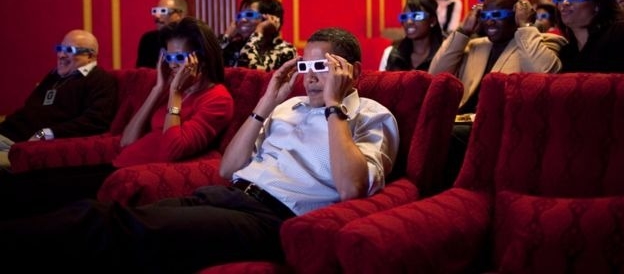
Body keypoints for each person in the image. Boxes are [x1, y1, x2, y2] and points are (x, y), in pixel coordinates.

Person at [0, 27, 400, 273]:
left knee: (116, 229)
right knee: (104, 215)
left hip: (272, 217)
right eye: (306, 68)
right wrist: (267, 100)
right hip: (227, 195)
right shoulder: (285, 106)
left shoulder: (371, 115)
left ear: (353, 72)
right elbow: (229, 167)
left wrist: (333, 104)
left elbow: (350, 188)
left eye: (324, 68)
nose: (313, 79)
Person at [0, 17, 234, 218]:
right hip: (117, 163)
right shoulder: (174, 89)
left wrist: (175, 94)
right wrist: (158, 89)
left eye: (179, 58)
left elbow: (172, 149)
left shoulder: (217, 99)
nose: (173, 66)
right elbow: (127, 140)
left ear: (201, 58)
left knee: (34, 200)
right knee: (21, 186)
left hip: (129, 176)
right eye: (168, 58)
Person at [429, 0, 567, 188]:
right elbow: (436, 75)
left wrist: (526, 26)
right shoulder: (475, 45)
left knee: (447, 134)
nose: (490, 21)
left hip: (504, 127)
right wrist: (463, 31)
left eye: (499, 14)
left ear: (517, 14)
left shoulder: (544, 42)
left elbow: (545, 77)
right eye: (486, 15)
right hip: (464, 122)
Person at [0, 30, 118, 168]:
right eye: (60, 49)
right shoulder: (54, 75)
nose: (61, 55)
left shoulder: (100, 80)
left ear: (90, 56)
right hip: (8, 134)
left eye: (69, 50)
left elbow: (95, 121)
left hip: (22, 147)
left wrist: (46, 133)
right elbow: (30, 108)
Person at [218, 0, 297, 71]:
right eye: (240, 16)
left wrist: (260, 30)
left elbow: (249, 68)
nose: (243, 20)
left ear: (267, 19)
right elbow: (209, 66)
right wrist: (226, 36)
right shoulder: (233, 47)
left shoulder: (285, 50)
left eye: (249, 14)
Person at [381, 0, 445, 71]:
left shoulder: (444, 54)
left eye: (416, 16)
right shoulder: (391, 53)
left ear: (433, 21)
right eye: (404, 17)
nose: (409, 22)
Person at [136, 0, 188, 68]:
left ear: (180, 15)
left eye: (163, 11)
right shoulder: (149, 40)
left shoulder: (193, 39)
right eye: (156, 11)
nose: (157, 16)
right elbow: (142, 75)